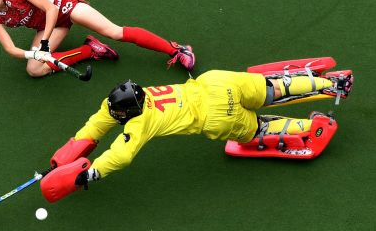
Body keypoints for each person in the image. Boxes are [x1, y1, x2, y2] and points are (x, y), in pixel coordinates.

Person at [40, 58, 354, 203]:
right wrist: (70, 153)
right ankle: (330, 83)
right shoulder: (136, 95)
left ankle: (311, 125)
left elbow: (120, 156)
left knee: (258, 129)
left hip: (217, 116)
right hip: (218, 81)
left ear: (128, 110)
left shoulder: (139, 122)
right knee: (273, 89)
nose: (113, 113)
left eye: (117, 112)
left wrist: (89, 174)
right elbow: (99, 122)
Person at [0, 0, 195, 77]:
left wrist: (45, 44)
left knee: (114, 32)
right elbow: (9, 48)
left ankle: (177, 50)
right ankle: (91, 49)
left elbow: (51, 9)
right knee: (34, 70)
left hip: (63, 6)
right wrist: (33, 55)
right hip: (51, 26)